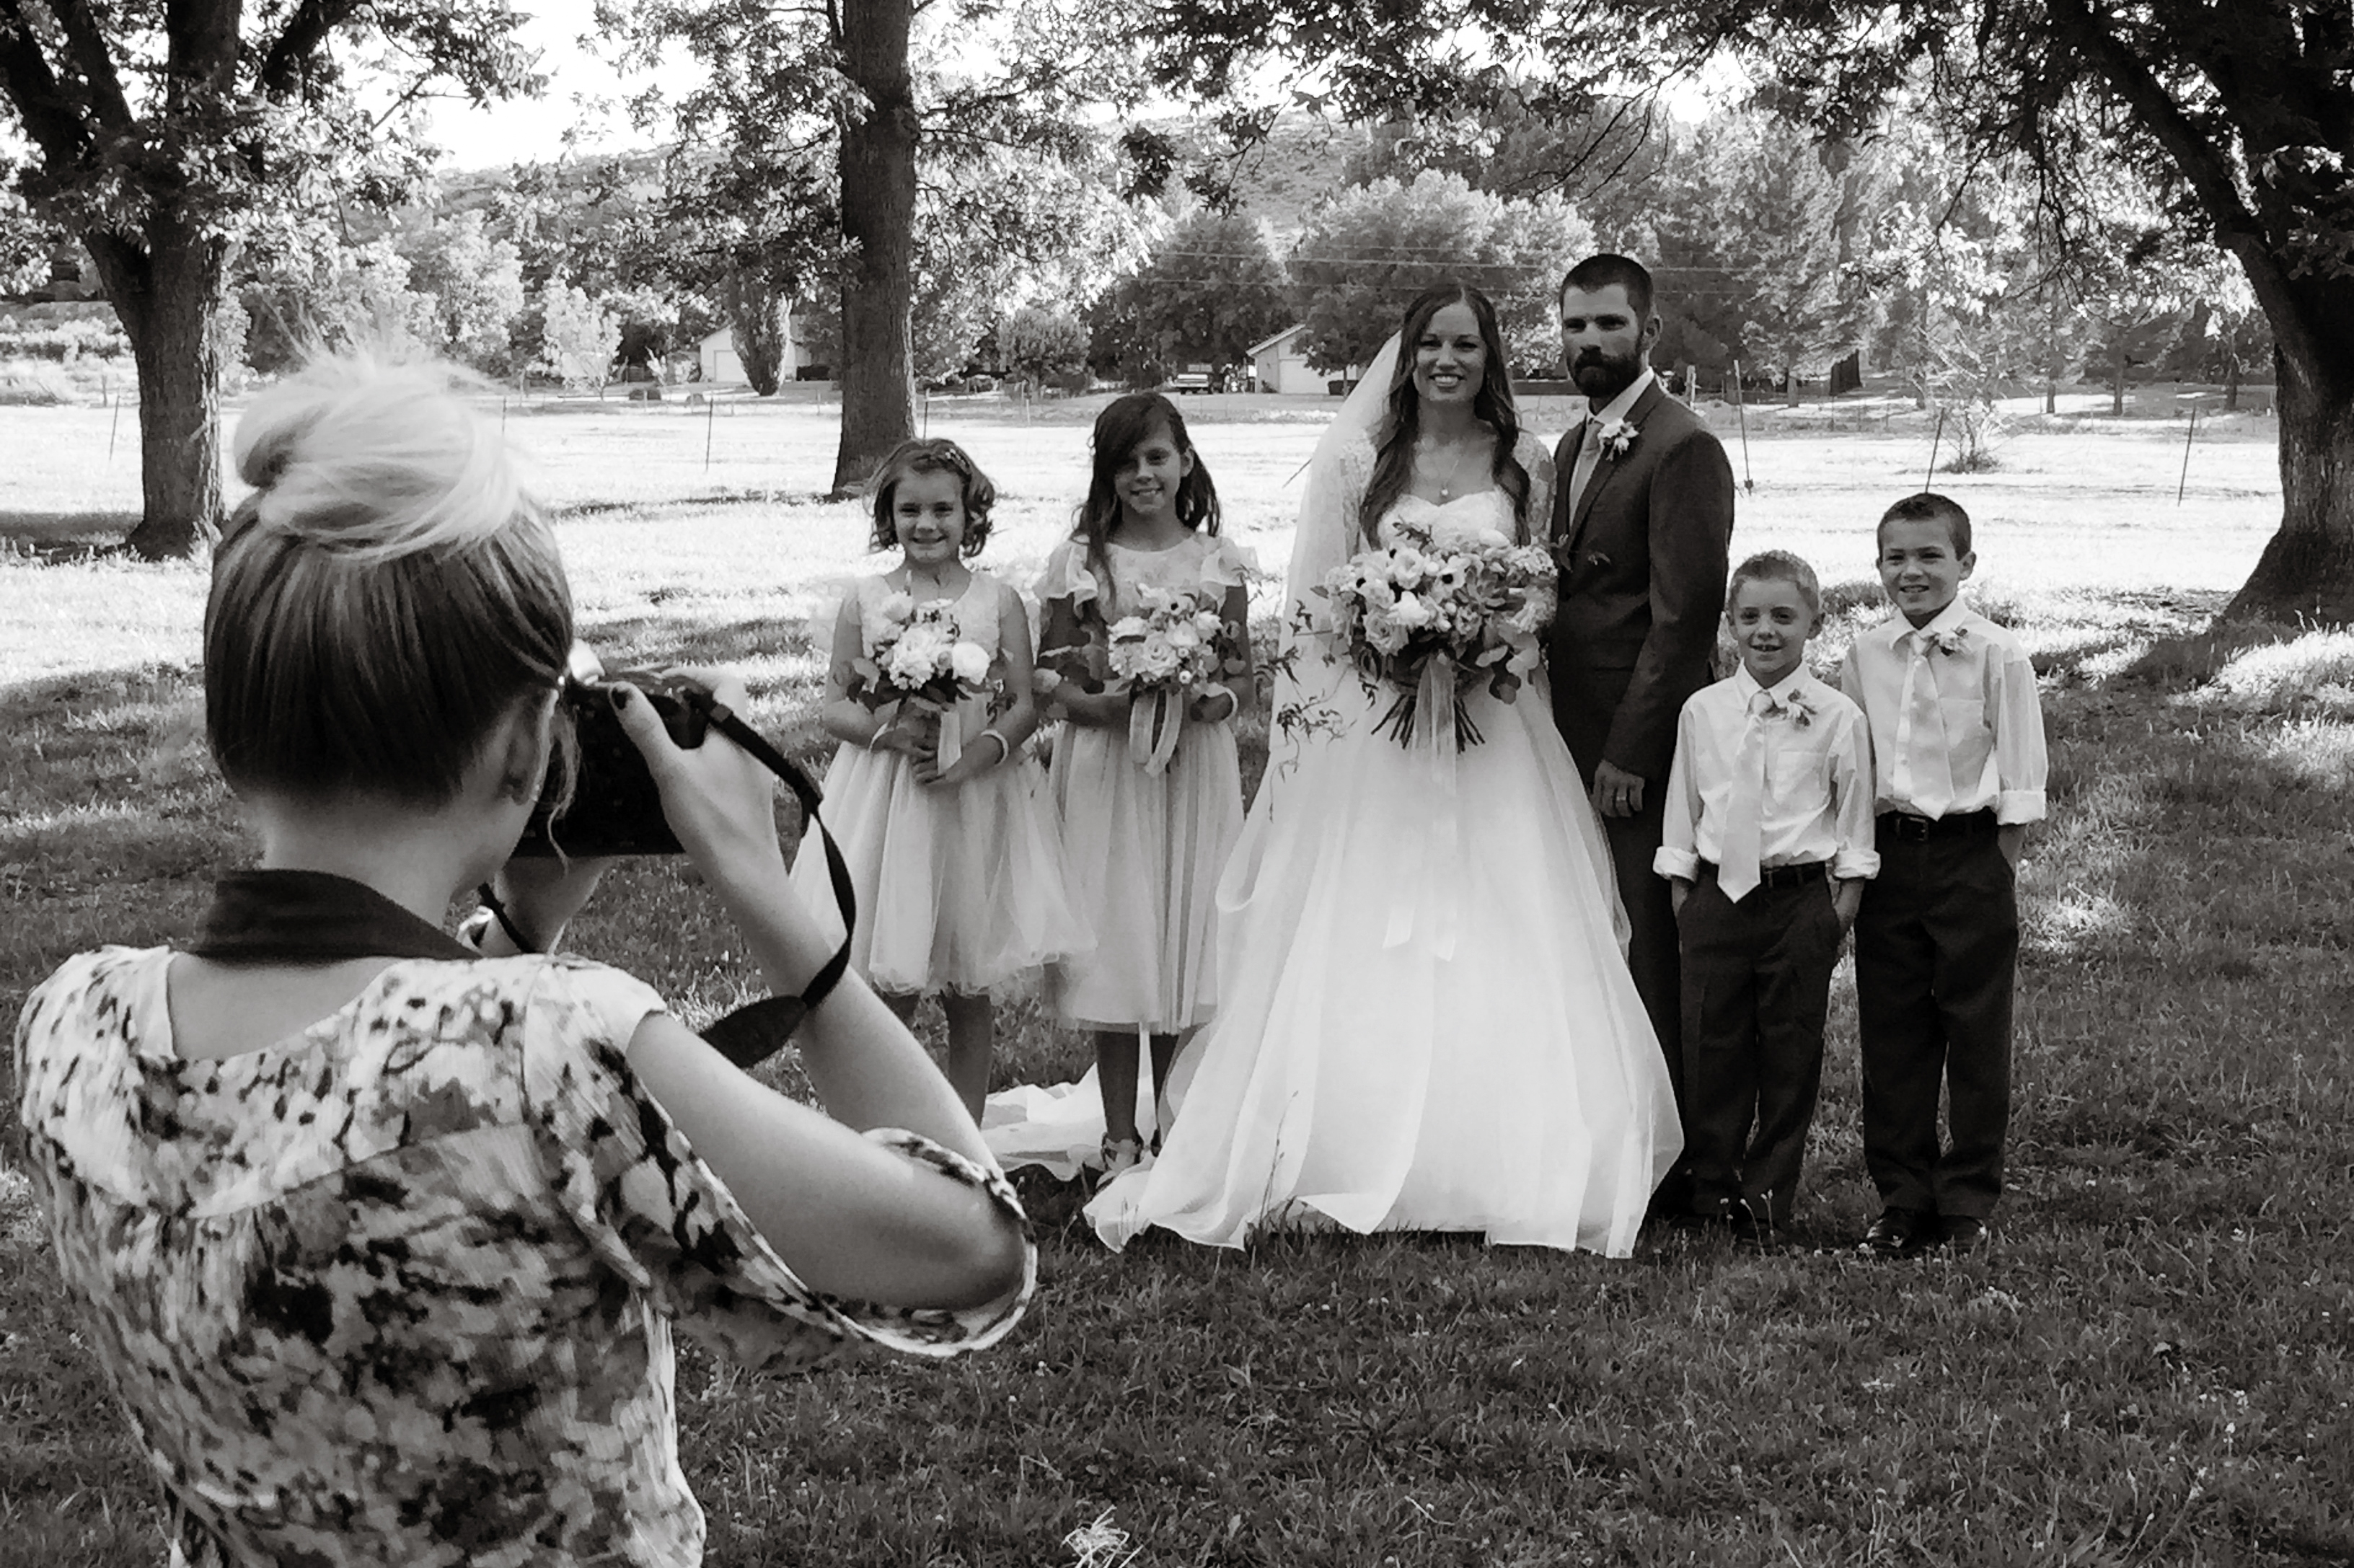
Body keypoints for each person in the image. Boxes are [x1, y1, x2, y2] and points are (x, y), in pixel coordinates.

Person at [12, 358, 1033, 1568]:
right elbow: (971, 1246)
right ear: (527, 746)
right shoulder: (556, 1044)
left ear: (235, 733)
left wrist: (514, 931)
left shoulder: (72, 1022)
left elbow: (345, 1078)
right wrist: (768, 898)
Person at [1087, 281, 1682, 1256]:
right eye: (1432, 345)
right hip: (1378, 736)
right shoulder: (1363, 462)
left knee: (1505, 920)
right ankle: (1338, 1136)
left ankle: (1499, 1152)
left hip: (1494, 730)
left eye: (1468, 346)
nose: (1449, 361)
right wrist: (1388, 641)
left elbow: (1539, 590)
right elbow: (1321, 605)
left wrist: (1489, 639)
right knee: (1363, 925)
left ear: (1491, 359)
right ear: (1406, 359)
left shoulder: (1526, 460)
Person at [801, 436, 1084, 1121]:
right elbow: (834, 705)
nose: (926, 525)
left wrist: (976, 757)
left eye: (942, 510)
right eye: (909, 511)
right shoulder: (867, 599)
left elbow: (1023, 701)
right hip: (887, 799)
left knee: (969, 977)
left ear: (970, 515)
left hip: (977, 798)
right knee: (886, 978)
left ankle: (966, 1131)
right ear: (887, 518)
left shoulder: (998, 600)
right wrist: (888, 733)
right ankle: (882, 1125)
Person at [1548, 255, 1737, 1215]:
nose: (1588, 342)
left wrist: (1630, 747)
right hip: (1557, 733)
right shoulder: (1570, 444)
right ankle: (1604, 1124)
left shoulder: (1681, 446)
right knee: (1585, 935)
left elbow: (1685, 620)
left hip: (1636, 744)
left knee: (1647, 941)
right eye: (1575, 325)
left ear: (1647, 332)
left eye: (1607, 325)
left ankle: (1671, 1163)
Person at [1027, 393, 1253, 1179]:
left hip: (1193, 768)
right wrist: (1104, 705)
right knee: (1121, 933)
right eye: (1125, 462)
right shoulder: (1081, 561)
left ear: (1185, 461)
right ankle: (1120, 1134)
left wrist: (1204, 698)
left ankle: (1175, 1123)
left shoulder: (1217, 559)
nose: (1143, 474)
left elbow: (1239, 677)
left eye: (1157, 456)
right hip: (1106, 770)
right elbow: (1052, 671)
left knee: (1181, 934)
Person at [1839, 493, 2047, 1257]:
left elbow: (2023, 773)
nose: (1912, 571)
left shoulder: (2000, 653)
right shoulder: (1862, 655)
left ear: (1966, 563)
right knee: (1892, 1030)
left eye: (1930, 555)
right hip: (1891, 855)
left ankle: (1967, 1197)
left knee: (1975, 1027)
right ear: (1879, 565)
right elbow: (1854, 765)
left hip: (1971, 854)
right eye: (1896, 557)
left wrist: (1999, 863)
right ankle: (1901, 1196)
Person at [1654, 550, 1878, 1243]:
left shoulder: (1839, 716)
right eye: (1749, 616)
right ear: (1729, 623)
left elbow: (1854, 814)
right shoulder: (1704, 710)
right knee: (1710, 1048)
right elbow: (1684, 803)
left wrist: (1841, 906)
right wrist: (1683, 888)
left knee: (1789, 1050)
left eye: (1784, 616)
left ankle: (1766, 1198)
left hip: (1799, 901)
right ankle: (1710, 1189)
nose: (1766, 631)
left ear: (1815, 620)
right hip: (1719, 896)